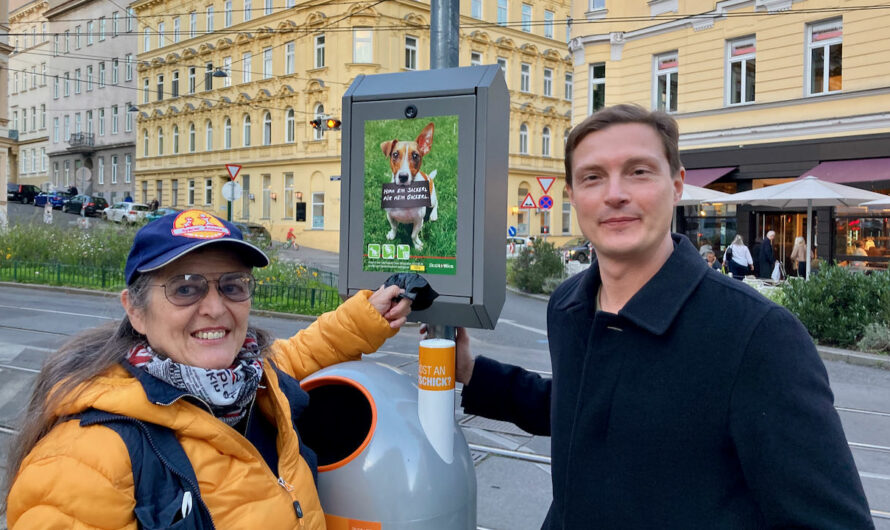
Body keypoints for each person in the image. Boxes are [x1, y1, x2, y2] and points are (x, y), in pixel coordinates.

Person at [453, 104, 872, 528]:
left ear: (676, 185)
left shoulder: (756, 335)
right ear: (572, 195)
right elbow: (579, 409)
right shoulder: (569, 305)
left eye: (638, 171)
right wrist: (472, 371)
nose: (615, 193)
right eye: (593, 176)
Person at [2, 209, 413, 528]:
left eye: (232, 285)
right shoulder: (83, 461)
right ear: (136, 312)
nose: (215, 308)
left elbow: (302, 352)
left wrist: (367, 316)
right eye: (185, 287)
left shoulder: (254, 381)